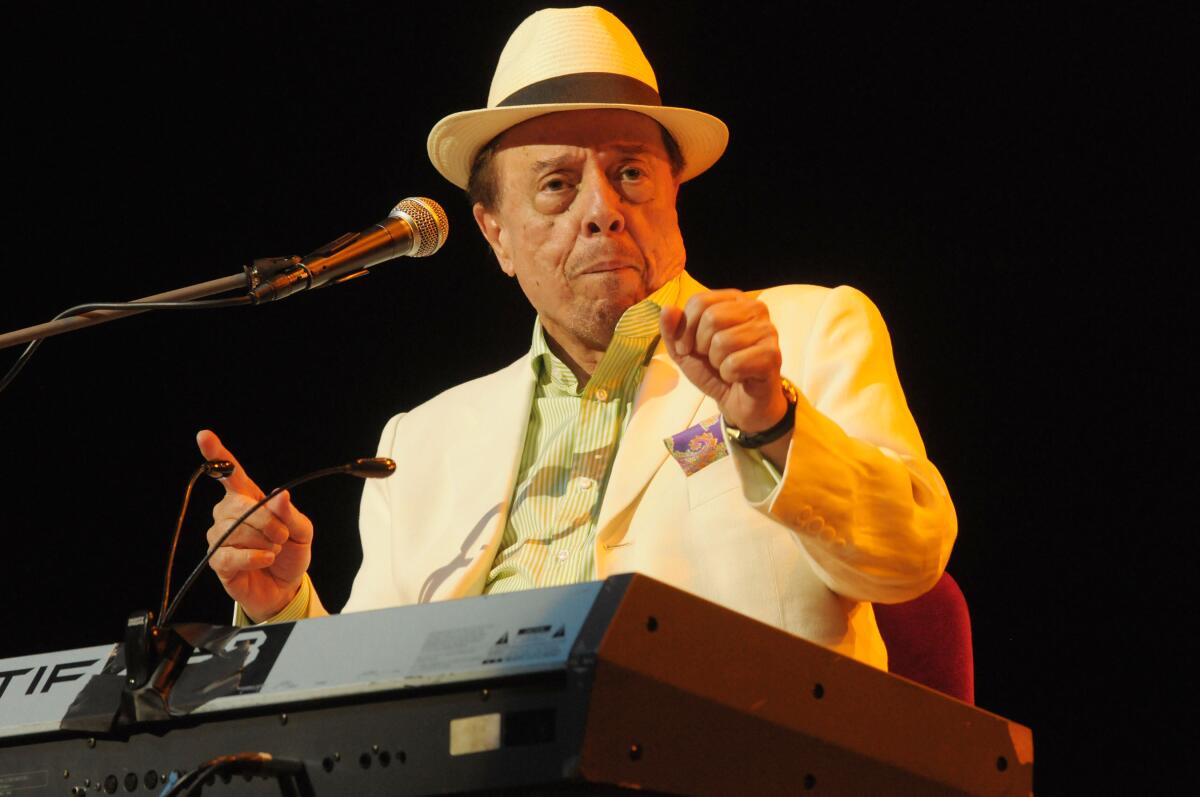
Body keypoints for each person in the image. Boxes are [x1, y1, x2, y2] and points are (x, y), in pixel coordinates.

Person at [197, 6, 956, 670]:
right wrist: (282, 606)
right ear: (496, 234)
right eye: (557, 185)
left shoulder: (801, 333)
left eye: (630, 173)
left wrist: (774, 425)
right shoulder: (421, 441)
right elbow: (374, 706)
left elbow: (910, 561)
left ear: (674, 192)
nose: (602, 209)